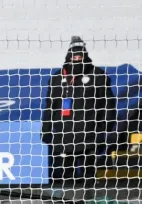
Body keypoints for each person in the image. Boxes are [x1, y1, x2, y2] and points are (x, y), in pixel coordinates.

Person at [41, 36, 117, 186]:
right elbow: (50, 106)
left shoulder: (98, 76)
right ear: (69, 56)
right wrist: (46, 129)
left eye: (80, 56)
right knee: (65, 176)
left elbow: (108, 102)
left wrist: (107, 124)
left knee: (90, 174)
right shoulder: (57, 79)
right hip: (65, 136)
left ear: (85, 55)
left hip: (90, 136)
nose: (77, 59)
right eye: (74, 56)